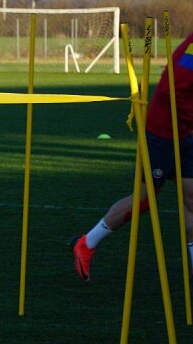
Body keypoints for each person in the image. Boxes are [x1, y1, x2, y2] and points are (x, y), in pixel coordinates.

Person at [72, 31, 193, 281]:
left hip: (187, 134)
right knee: (144, 199)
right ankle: (86, 243)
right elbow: (173, 89)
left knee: (192, 199)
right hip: (162, 133)